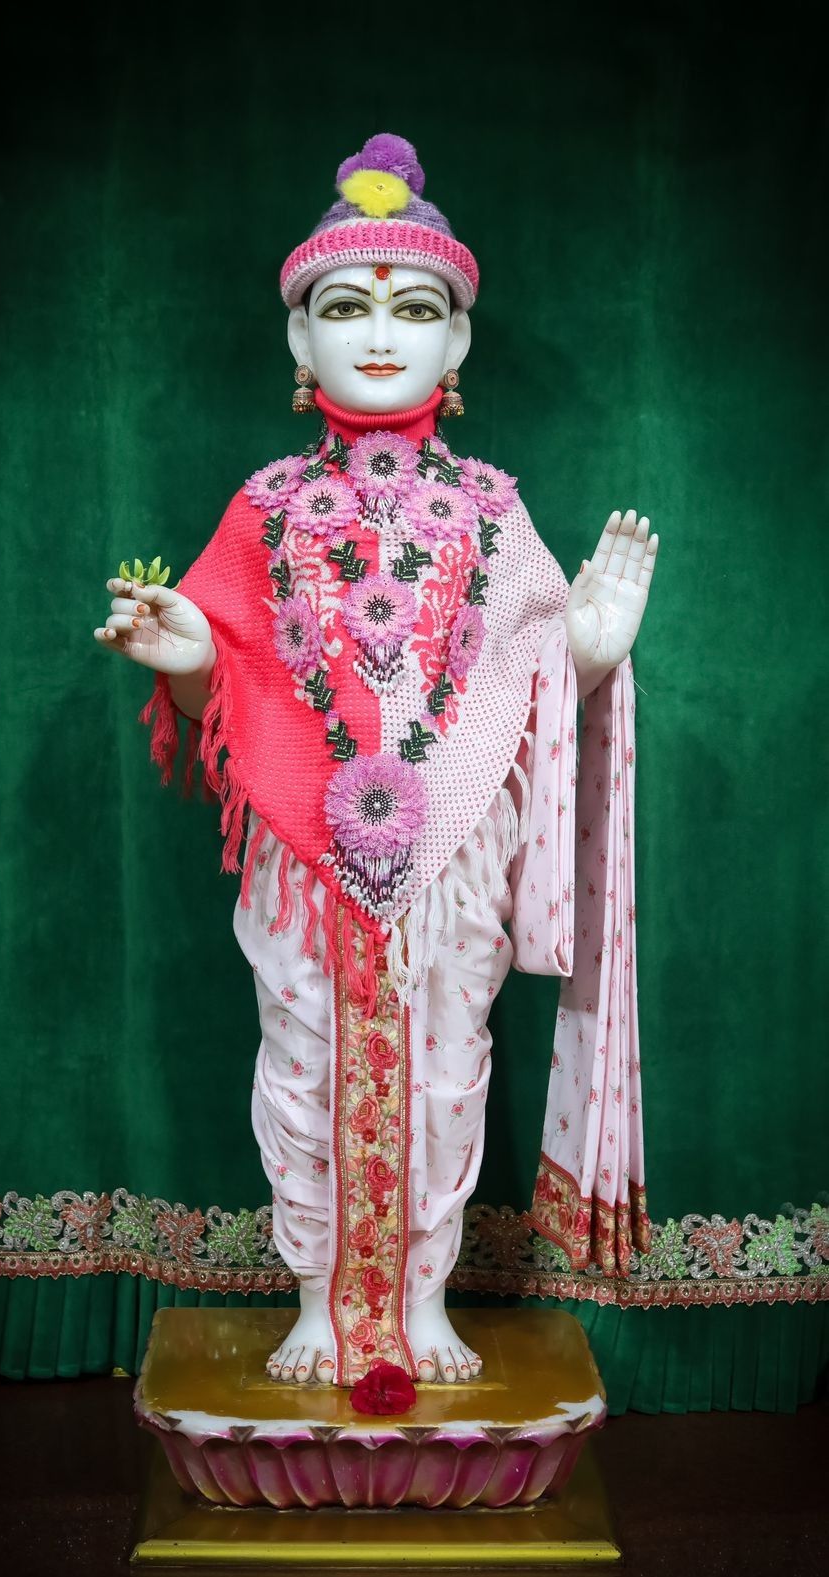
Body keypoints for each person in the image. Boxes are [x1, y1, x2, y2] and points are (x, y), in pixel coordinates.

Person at [94, 134, 658, 1387]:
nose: (380, 334)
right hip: (302, 852)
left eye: (417, 309)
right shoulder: (263, 508)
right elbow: (221, 690)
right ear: (299, 344)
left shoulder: (495, 511)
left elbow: (525, 681)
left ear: (458, 343)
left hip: (451, 851)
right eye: (343, 309)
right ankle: (315, 1302)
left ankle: (420, 1303)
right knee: (300, 1066)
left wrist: (591, 655)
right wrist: (186, 653)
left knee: (449, 1074)